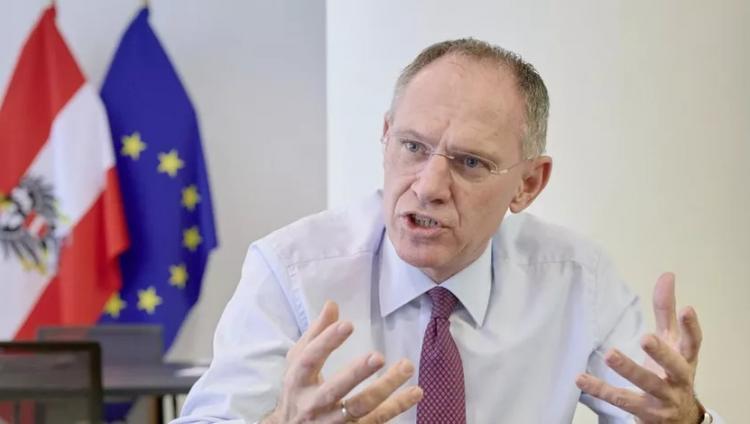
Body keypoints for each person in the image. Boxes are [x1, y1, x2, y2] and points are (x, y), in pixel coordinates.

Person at [174, 39, 720, 423]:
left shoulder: (579, 281)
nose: (429, 186)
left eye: (470, 163)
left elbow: (654, 412)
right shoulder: (290, 270)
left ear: (528, 184)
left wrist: (688, 419)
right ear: (386, 137)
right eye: (413, 147)